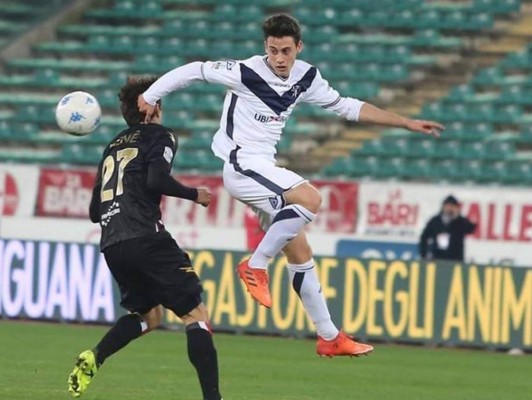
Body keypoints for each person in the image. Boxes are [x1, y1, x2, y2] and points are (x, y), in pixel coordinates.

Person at [138, 13, 444, 357]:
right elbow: (195, 70)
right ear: (265, 48)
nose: (280, 59)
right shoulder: (246, 71)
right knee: (310, 199)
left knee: (299, 250)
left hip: (262, 169)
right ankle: (255, 265)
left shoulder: (306, 76)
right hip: (241, 164)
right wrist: (151, 94)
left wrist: (406, 122)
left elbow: (347, 107)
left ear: (299, 47)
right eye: (273, 51)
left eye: (286, 51)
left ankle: (329, 336)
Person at [68, 76, 222, 400]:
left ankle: (96, 355)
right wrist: (195, 194)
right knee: (196, 315)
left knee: (148, 317)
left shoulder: (112, 146)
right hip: (144, 237)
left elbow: (96, 211)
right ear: (151, 106)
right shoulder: (160, 136)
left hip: (112, 244)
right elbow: (156, 179)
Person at [419, 195, 476, 262]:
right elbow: (424, 237)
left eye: (452, 206)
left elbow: (470, 229)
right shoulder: (435, 221)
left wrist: (457, 217)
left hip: (455, 259)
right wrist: (424, 255)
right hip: (437, 258)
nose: (449, 209)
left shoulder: (459, 222)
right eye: (447, 206)